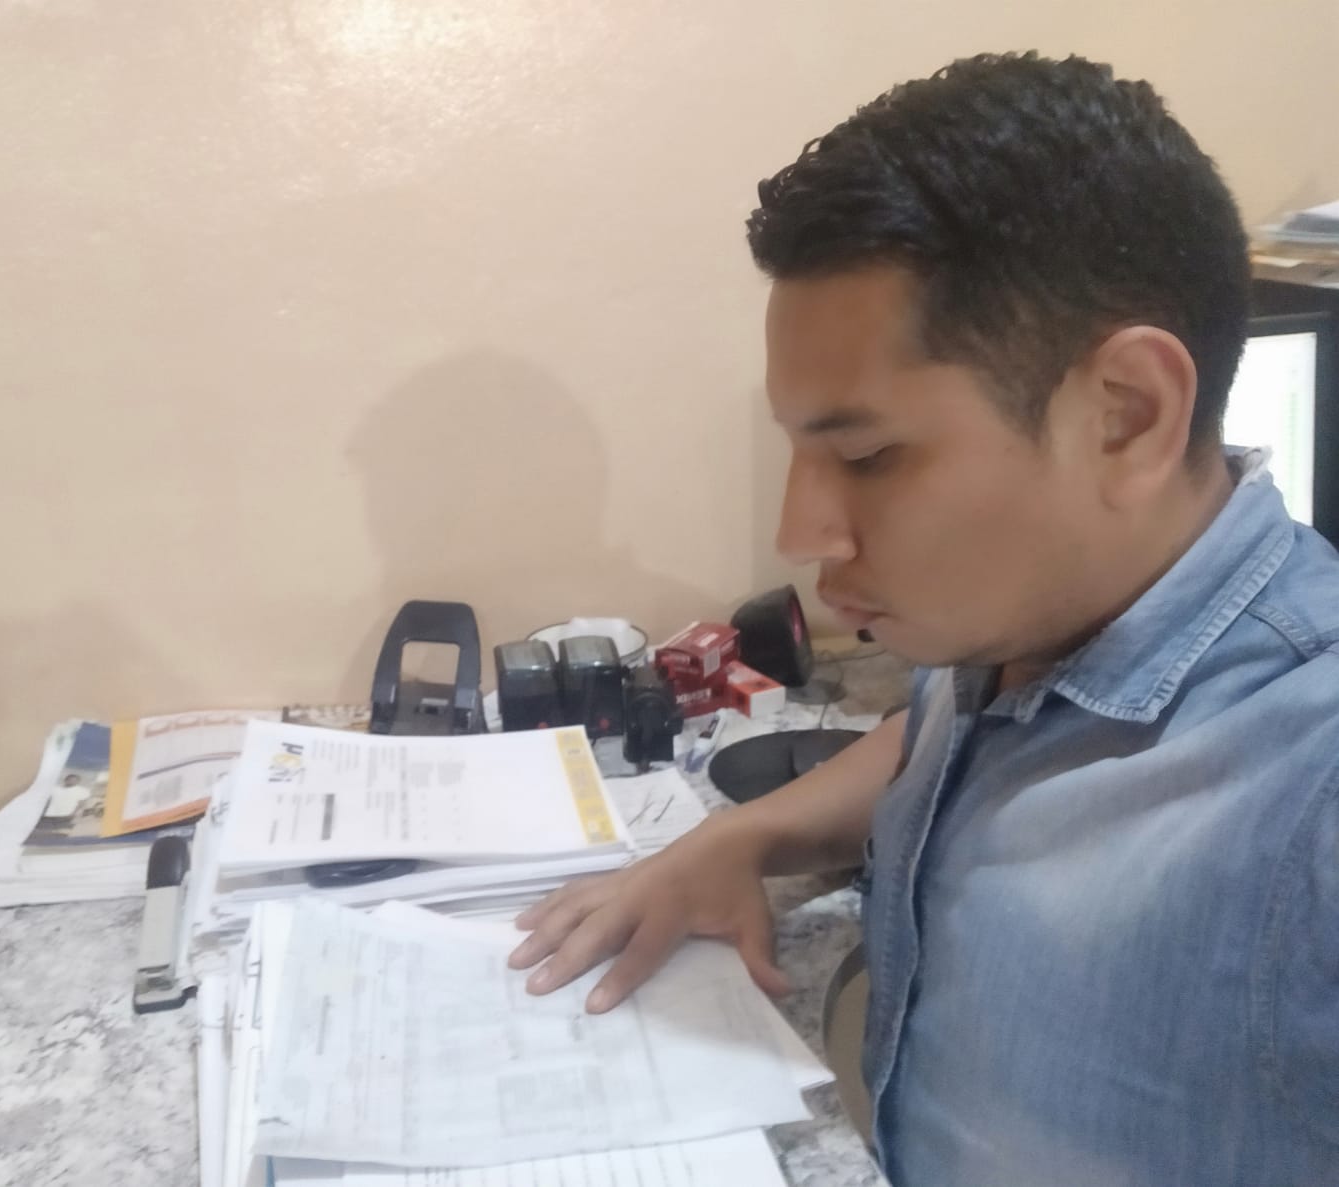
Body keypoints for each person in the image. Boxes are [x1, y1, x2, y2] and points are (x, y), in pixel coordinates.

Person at [508, 52, 1339, 1186]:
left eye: (865, 455)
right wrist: (736, 838)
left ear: (1126, 415)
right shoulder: (1016, 622)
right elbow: (945, 742)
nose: (803, 531)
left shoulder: (1309, 781)